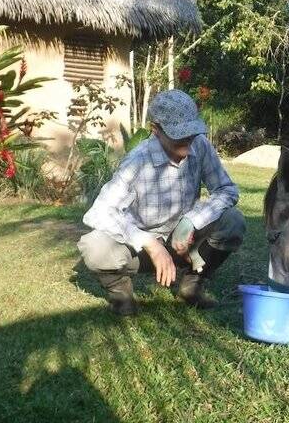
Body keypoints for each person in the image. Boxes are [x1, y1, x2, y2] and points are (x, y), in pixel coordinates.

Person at [77, 90, 245, 315]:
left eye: (191, 133)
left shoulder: (200, 146)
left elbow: (226, 190)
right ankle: (120, 294)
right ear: (155, 130)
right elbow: (99, 213)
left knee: (233, 221)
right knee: (95, 246)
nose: (187, 143)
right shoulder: (137, 162)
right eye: (179, 136)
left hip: (186, 242)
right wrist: (150, 243)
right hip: (140, 250)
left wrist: (191, 221)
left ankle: (192, 286)